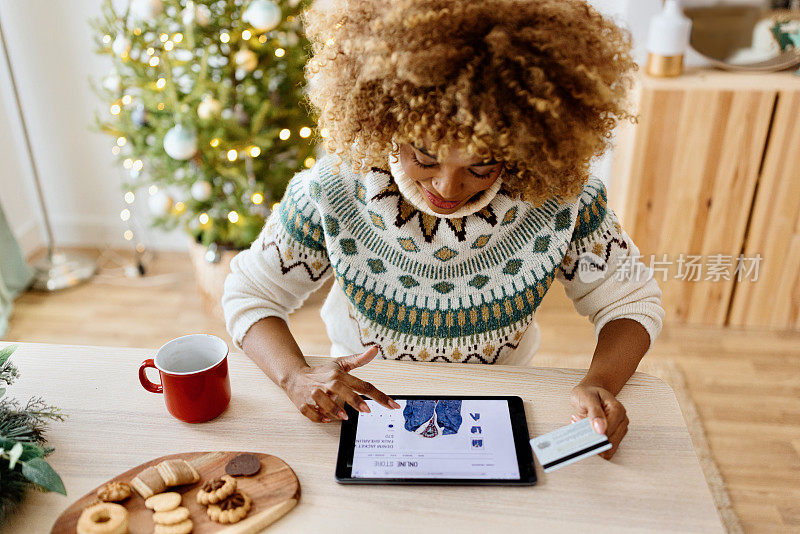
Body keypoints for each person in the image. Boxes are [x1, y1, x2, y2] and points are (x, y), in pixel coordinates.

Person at [222, 0, 664, 460]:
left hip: (500, 402)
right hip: (361, 404)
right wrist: (296, 376)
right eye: (425, 158)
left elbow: (630, 300)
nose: (447, 188)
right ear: (385, 121)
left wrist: (600, 384)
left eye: (482, 165)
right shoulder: (334, 188)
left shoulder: (560, 198)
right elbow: (250, 294)